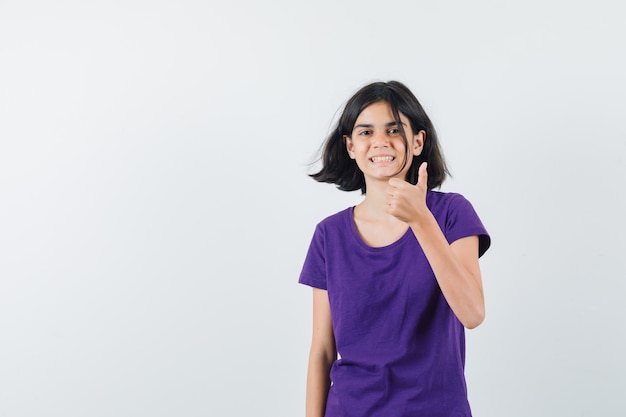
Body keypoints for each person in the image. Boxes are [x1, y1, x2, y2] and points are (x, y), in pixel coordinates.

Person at [298, 80, 491, 417]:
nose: (380, 142)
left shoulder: (450, 214)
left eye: (394, 130)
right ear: (350, 146)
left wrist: (421, 220)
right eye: (365, 132)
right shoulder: (330, 235)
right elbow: (322, 352)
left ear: (417, 142)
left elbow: (472, 313)